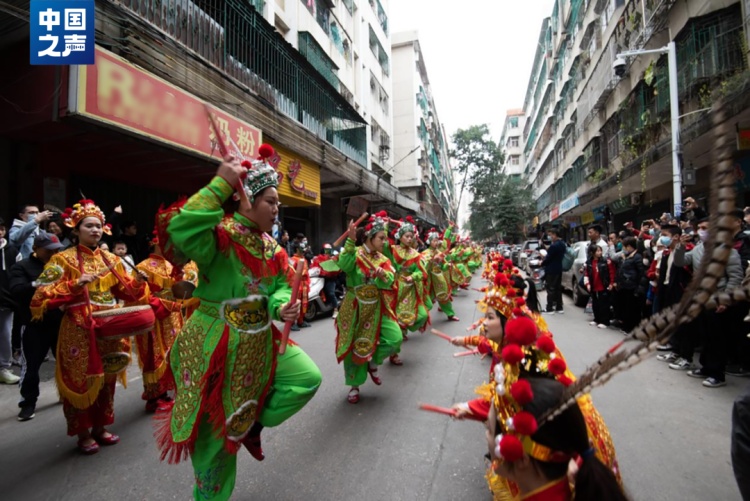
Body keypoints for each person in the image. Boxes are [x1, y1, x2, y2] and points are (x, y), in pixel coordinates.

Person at [154, 146, 321, 500]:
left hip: (260, 341)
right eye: (271, 201)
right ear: (245, 200)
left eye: (278, 203)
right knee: (214, 440)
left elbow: (278, 287)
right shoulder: (219, 235)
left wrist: (281, 309)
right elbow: (180, 231)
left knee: (306, 378)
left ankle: (254, 422)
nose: (277, 209)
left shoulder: (272, 249)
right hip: (216, 343)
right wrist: (219, 185)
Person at [30, 199, 149, 454]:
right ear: (76, 229)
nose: (95, 230)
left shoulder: (111, 259)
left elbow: (126, 291)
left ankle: (101, 426)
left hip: (110, 325)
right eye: (89, 226)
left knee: (108, 376)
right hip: (78, 327)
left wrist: (138, 281)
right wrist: (75, 284)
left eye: (98, 226)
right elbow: (40, 297)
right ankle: (82, 432)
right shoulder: (62, 260)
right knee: (81, 380)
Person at [335, 212, 402, 404]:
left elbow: (391, 279)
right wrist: (350, 241)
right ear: (369, 237)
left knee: (394, 338)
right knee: (353, 345)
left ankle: (373, 361)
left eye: (385, 238)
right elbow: (345, 266)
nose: (384, 241)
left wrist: (383, 277)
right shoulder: (354, 253)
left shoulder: (383, 259)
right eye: (381, 238)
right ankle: (354, 385)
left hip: (377, 307)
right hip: (354, 307)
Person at [10, 231, 65, 420]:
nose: (53, 254)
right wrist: (39, 283)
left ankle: (67, 394)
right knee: (31, 366)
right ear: (35, 249)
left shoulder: (62, 265)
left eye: (57, 250)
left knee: (66, 362)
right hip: (34, 324)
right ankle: (28, 403)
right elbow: (16, 291)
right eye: (49, 250)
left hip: (60, 322)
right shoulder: (22, 267)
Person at [132, 239, 185, 412]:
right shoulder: (144, 266)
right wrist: (168, 305)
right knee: (154, 356)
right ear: (155, 243)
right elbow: (139, 296)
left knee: (173, 352)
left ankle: (168, 390)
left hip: (172, 316)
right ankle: (154, 397)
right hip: (155, 318)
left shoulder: (172, 266)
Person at [385, 216, 429, 353]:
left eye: (411, 236)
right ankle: (394, 354)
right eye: (407, 236)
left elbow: (423, 273)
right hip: (395, 288)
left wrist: (413, 276)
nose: (410, 239)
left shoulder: (416, 255)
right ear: (400, 237)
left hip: (410, 290)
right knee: (395, 319)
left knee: (423, 315)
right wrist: (385, 226)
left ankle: (404, 328)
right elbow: (384, 245)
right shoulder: (392, 250)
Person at [421, 228, 459, 322]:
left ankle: (450, 314)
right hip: (429, 279)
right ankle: (420, 318)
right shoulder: (424, 253)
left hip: (438, 278)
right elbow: (423, 268)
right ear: (429, 242)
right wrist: (432, 260)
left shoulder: (439, 252)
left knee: (444, 296)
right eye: (434, 240)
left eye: (437, 240)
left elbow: (443, 265)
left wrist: (447, 265)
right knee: (426, 300)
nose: (436, 242)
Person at [0, 218, 21, 384]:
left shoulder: (12, 250)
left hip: (6, 300)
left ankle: (3, 367)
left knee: (5, 334)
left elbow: (16, 275)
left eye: (1, 228)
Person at [612, 237, 647, 333]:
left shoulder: (637, 257)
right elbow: (620, 270)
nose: (623, 249)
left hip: (632, 287)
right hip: (624, 286)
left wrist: (639, 288)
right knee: (625, 307)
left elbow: (641, 274)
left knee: (632, 309)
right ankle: (625, 325)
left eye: (624, 247)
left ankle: (631, 328)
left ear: (629, 246)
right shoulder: (625, 257)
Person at [584, 244, 616, 329]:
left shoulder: (606, 261)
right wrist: (587, 284)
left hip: (603, 285)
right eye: (597, 251)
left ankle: (605, 321)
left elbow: (612, 273)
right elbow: (586, 273)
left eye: (600, 250)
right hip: (593, 285)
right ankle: (596, 319)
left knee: (604, 304)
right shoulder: (589, 262)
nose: (600, 252)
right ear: (592, 252)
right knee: (595, 303)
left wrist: (611, 283)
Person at [311, 243, 341, 319]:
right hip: (319, 279)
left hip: (330, 279)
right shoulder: (318, 258)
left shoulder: (334, 258)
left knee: (330, 293)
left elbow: (336, 270)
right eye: (326, 250)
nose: (328, 251)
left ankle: (335, 309)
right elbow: (313, 267)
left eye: (329, 250)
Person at [542, 228, 565, 314]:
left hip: (551, 269)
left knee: (550, 288)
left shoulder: (554, 246)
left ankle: (550, 308)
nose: (550, 237)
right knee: (558, 288)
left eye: (551, 235)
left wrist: (542, 263)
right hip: (558, 268)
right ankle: (559, 307)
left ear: (555, 234)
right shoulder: (563, 244)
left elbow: (548, 258)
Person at [289, 240, 311, 331]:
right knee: (295, 304)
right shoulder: (292, 259)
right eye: (302, 248)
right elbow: (290, 272)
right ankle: (292, 323)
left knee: (304, 303)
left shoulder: (304, 259)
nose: (304, 250)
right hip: (297, 284)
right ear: (297, 249)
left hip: (304, 284)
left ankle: (300, 321)